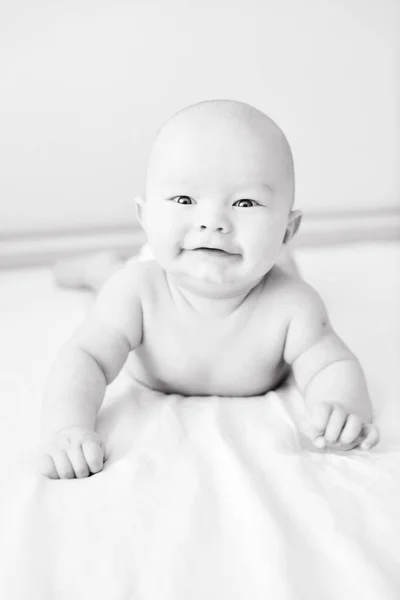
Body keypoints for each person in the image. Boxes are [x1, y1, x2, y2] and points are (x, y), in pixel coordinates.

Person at [40, 99, 379, 479]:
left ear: (288, 229)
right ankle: (95, 265)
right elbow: (86, 357)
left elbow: (331, 365)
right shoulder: (136, 291)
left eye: (245, 202)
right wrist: (67, 428)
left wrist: (340, 407)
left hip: (265, 264)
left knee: (282, 268)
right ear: (145, 215)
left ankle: (276, 250)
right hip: (155, 267)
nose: (213, 222)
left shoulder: (294, 306)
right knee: (113, 277)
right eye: (184, 199)